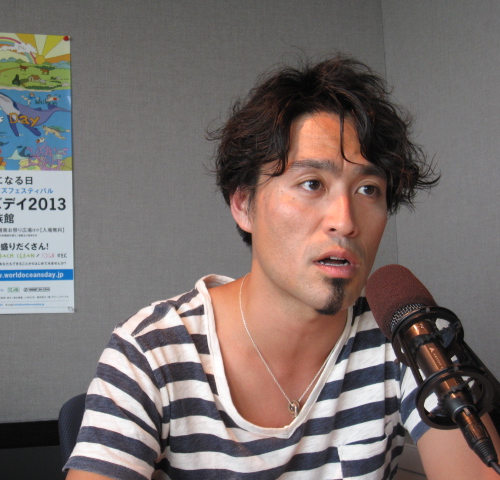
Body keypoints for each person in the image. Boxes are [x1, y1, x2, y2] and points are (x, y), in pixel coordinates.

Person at [64, 55, 500, 479]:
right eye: (312, 184)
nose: (346, 221)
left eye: (368, 189)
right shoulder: (152, 350)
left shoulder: (408, 339)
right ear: (244, 205)